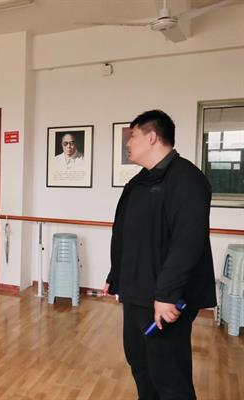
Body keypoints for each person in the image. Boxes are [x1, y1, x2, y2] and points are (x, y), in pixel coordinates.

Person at [103, 110, 216, 400]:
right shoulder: (139, 182)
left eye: (133, 136)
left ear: (152, 137)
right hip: (137, 293)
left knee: (168, 375)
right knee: (140, 363)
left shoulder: (187, 179)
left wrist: (166, 295)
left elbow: (188, 243)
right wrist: (115, 275)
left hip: (165, 300)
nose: (128, 143)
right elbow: (128, 234)